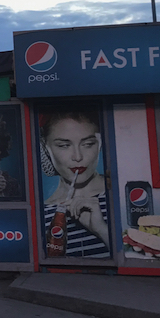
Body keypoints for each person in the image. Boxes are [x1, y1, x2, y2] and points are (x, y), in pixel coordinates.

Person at [41, 110, 110, 258]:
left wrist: (102, 230)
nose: (78, 157)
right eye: (64, 146)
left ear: (100, 143)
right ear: (46, 149)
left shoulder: (121, 196)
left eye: (88, 144)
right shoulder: (41, 213)